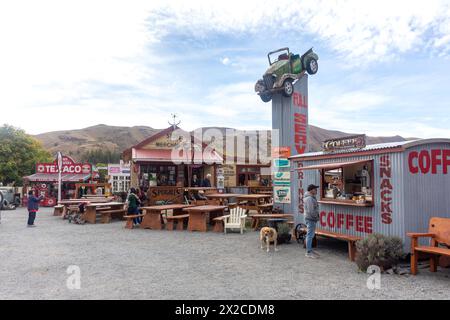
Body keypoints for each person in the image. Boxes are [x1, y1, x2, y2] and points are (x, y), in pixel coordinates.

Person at [304, 184, 320, 258]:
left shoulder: (311, 197)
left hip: (310, 218)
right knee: (310, 235)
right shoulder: (309, 198)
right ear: (311, 190)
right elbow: (311, 211)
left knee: (310, 235)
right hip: (311, 218)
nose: (316, 190)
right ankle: (308, 252)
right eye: (315, 189)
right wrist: (316, 217)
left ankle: (309, 250)